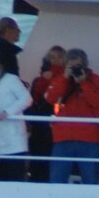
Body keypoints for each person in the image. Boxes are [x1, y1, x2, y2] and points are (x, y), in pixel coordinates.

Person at [46, 49, 99, 184]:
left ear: (84, 66)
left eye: (77, 66)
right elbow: (51, 98)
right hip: (63, 138)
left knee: (90, 180)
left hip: (88, 139)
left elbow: (98, 101)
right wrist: (65, 77)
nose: (74, 69)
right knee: (57, 180)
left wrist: (83, 82)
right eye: (71, 66)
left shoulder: (93, 79)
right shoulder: (60, 79)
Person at [0, 55, 30, 181]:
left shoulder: (11, 80)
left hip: (14, 141)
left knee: (15, 178)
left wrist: (8, 111)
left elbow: (27, 99)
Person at [26, 45, 66, 181]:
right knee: (38, 160)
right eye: (52, 57)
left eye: (59, 57)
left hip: (58, 125)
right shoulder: (39, 80)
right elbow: (35, 100)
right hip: (40, 126)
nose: (56, 60)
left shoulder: (67, 79)